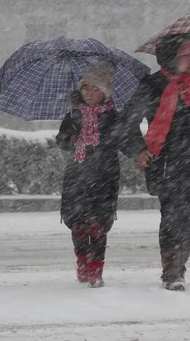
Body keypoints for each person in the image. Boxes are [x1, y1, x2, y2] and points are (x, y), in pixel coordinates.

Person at [121, 33, 190, 291]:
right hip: (166, 159)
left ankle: (180, 266)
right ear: (170, 58)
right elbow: (126, 123)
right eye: (186, 56)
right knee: (171, 217)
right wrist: (138, 150)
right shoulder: (152, 85)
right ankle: (171, 271)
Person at [55, 61, 126, 288]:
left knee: (97, 224)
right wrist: (71, 138)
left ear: (104, 93)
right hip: (77, 175)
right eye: (85, 88)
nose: (89, 93)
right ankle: (82, 262)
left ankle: (96, 269)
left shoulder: (113, 116)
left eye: (96, 89)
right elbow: (61, 141)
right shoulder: (72, 115)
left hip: (105, 176)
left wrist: (103, 142)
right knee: (78, 224)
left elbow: (120, 139)